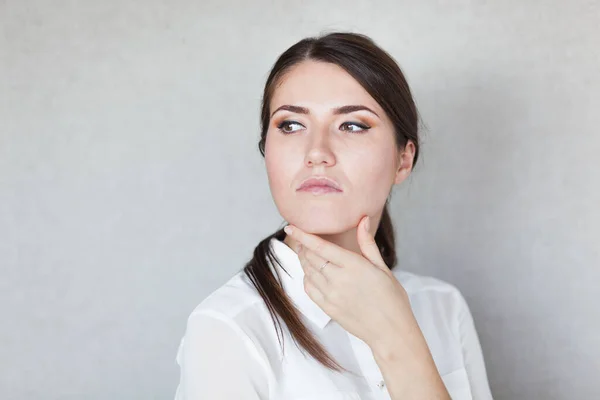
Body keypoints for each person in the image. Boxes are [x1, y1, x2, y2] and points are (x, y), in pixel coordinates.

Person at [173, 31, 494, 400]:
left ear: (403, 159)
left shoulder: (442, 305)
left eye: (352, 125)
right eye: (290, 125)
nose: (317, 152)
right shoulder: (229, 327)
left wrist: (399, 341)